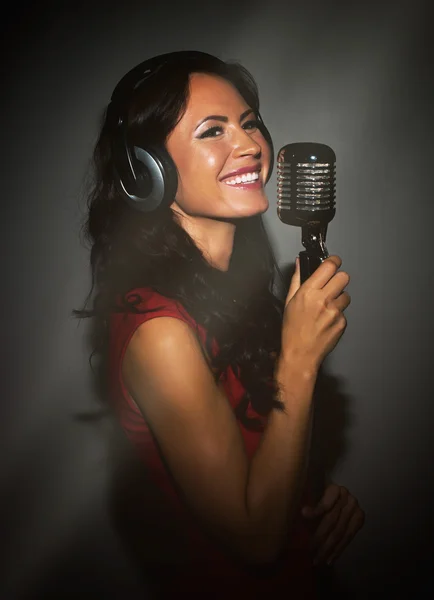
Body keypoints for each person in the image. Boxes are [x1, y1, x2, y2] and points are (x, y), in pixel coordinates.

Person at [76, 51, 364, 598]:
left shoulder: (235, 294)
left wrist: (313, 495)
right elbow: (254, 540)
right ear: (148, 174)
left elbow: (255, 449)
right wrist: (300, 360)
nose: (251, 145)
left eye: (251, 122)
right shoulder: (159, 330)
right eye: (213, 131)